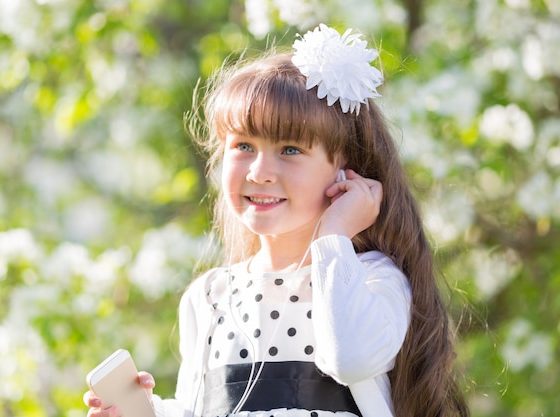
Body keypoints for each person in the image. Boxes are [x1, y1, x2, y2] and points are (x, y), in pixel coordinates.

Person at [84, 23, 469, 417]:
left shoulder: (370, 281)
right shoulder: (209, 297)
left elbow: (351, 359)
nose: (259, 171)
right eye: (244, 146)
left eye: (289, 149)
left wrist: (334, 235)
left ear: (345, 170)